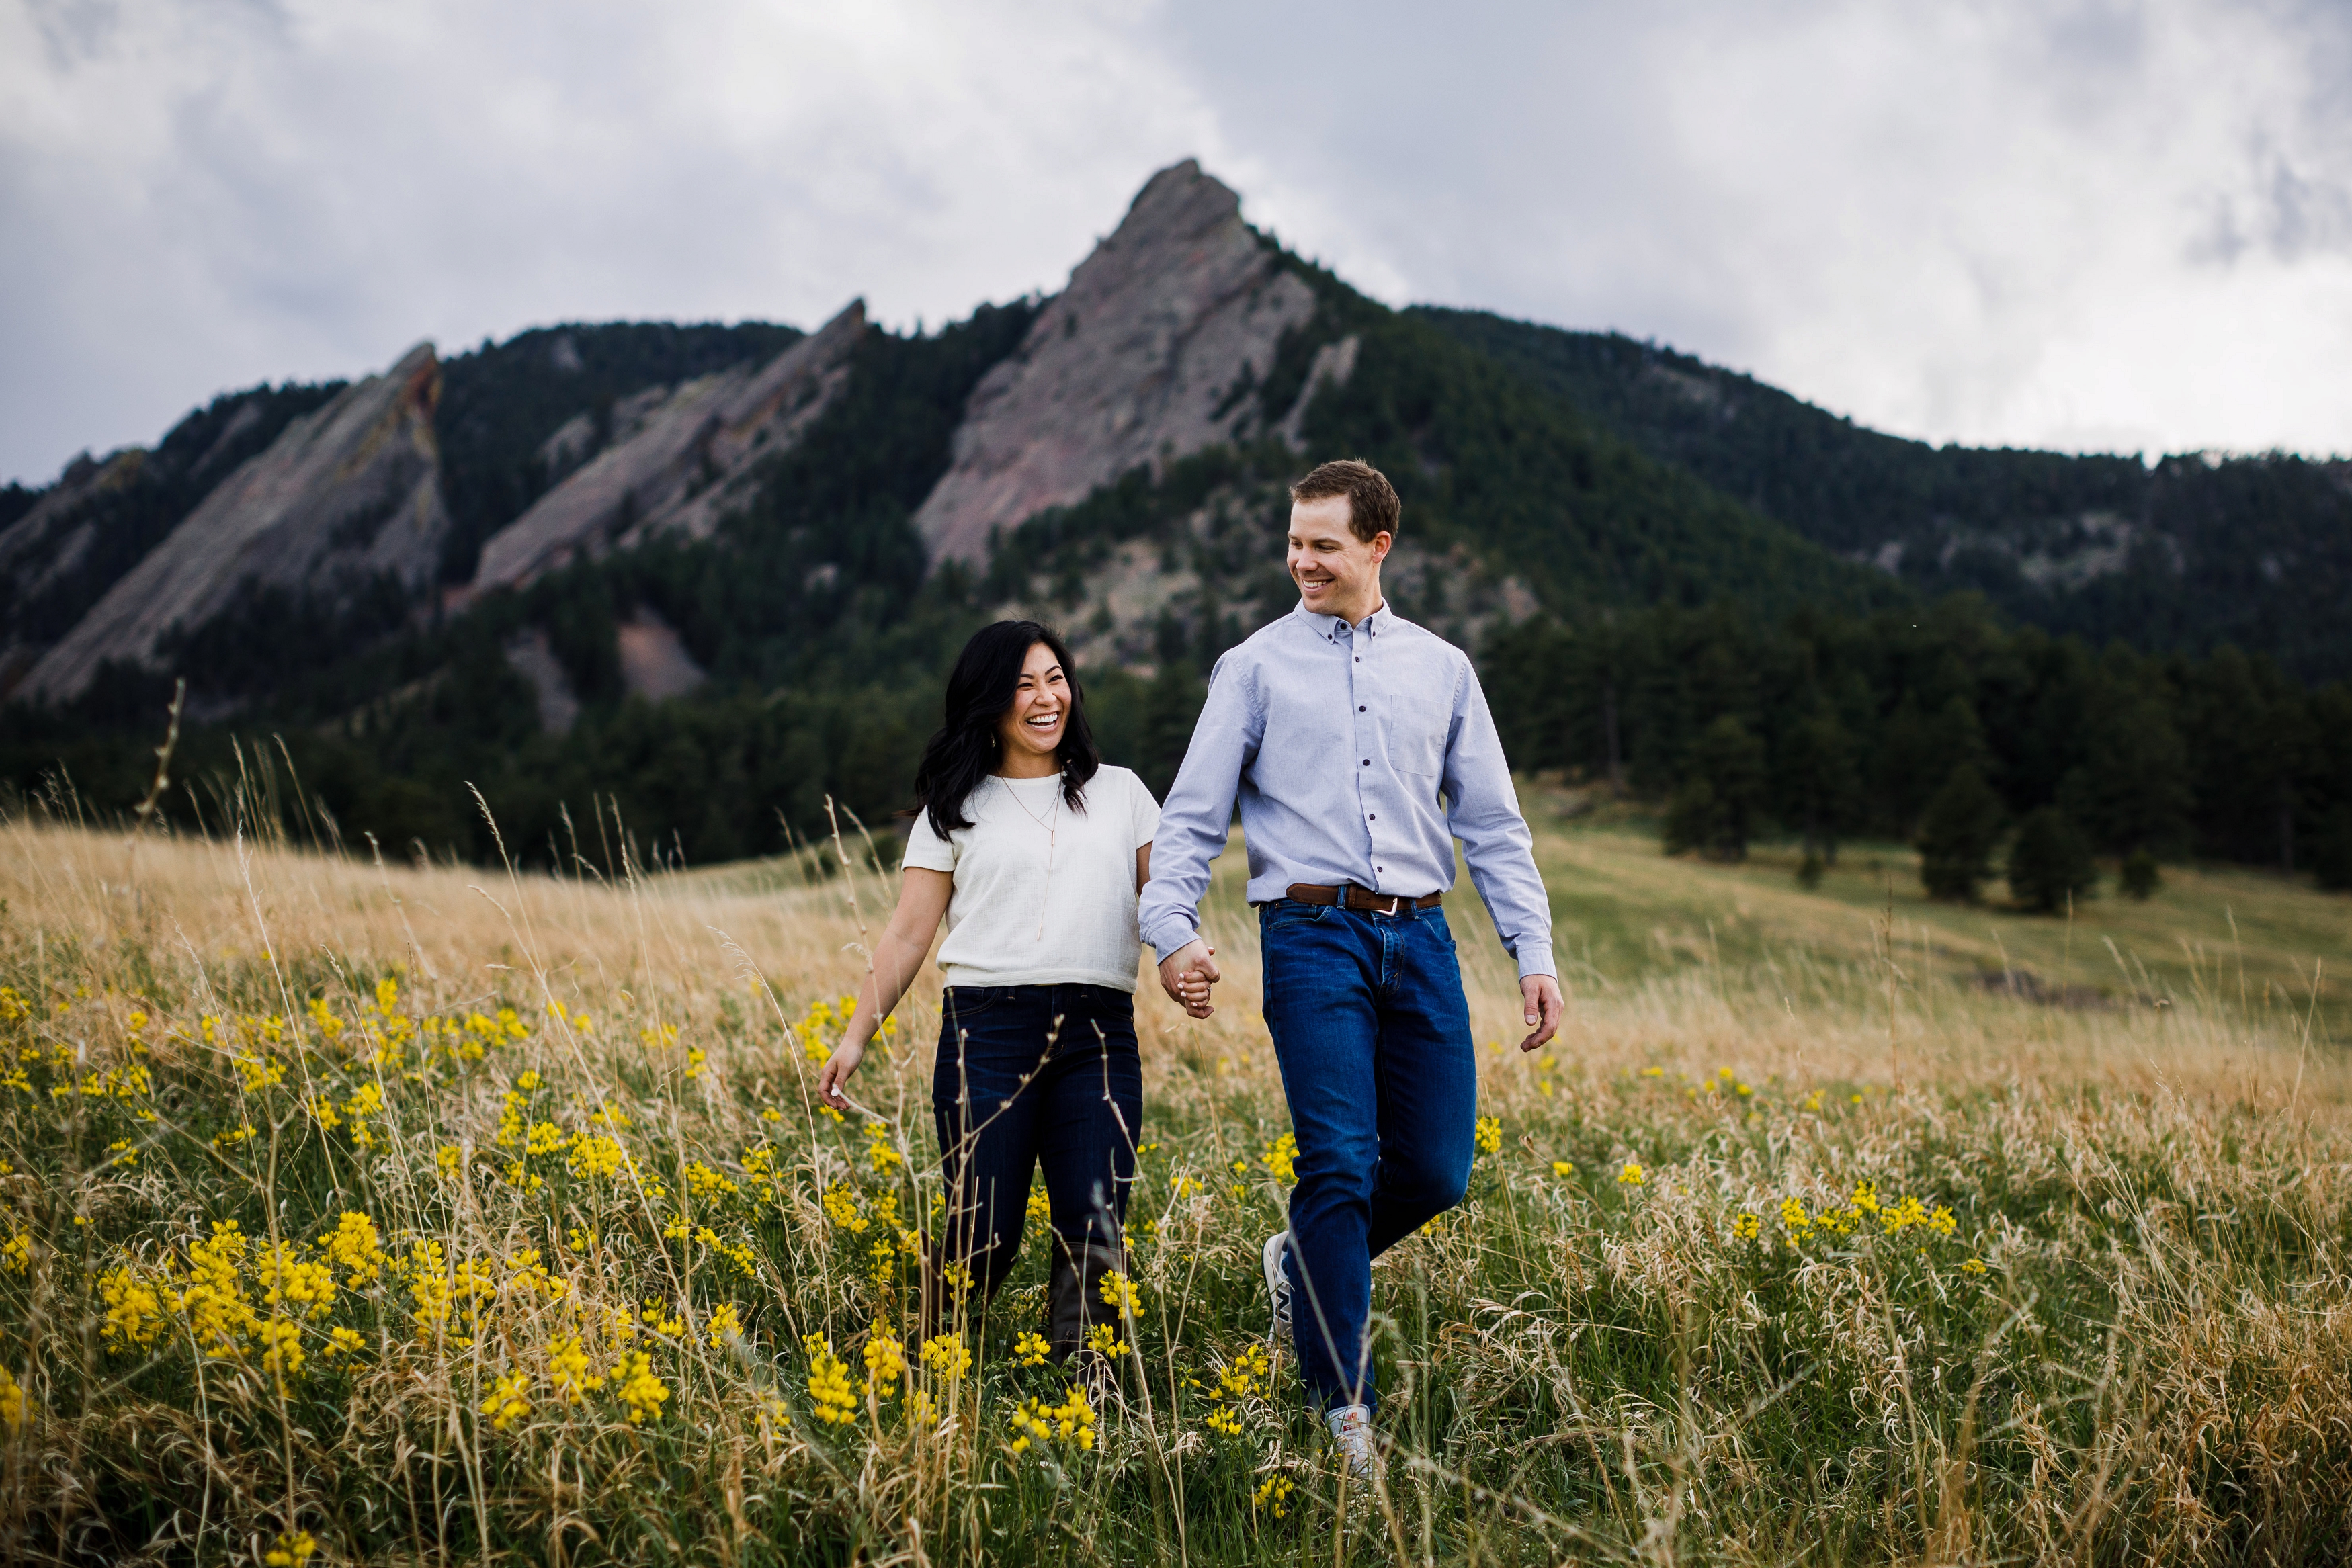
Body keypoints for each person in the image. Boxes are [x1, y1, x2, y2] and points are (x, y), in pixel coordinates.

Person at [1138, 459, 1564, 1477]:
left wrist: (1532, 952)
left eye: (1323, 544)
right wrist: (1173, 929)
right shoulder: (1253, 667)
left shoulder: (1444, 668)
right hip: (1310, 934)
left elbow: (1496, 826)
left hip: (1421, 938)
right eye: (1294, 541)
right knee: (1335, 1160)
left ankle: (1301, 1260)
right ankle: (1346, 1412)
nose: (1302, 560)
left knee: (1433, 1170)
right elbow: (1190, 822)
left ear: (1379, 546)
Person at [818, 621, 1206, 1378]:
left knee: (1093, 1226)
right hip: (985, 1034)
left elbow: (1164, 901)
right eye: (1023, 684)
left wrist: (1182, 954)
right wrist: (856, 1035)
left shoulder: (1120, 791)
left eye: (1055, 678)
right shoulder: (954, 806)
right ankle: (928, 1377)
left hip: (1097, 1033)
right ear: (988, 702)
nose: (1044, 697)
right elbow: (905, 935)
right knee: (982, 1230)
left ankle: (1088, 1400)